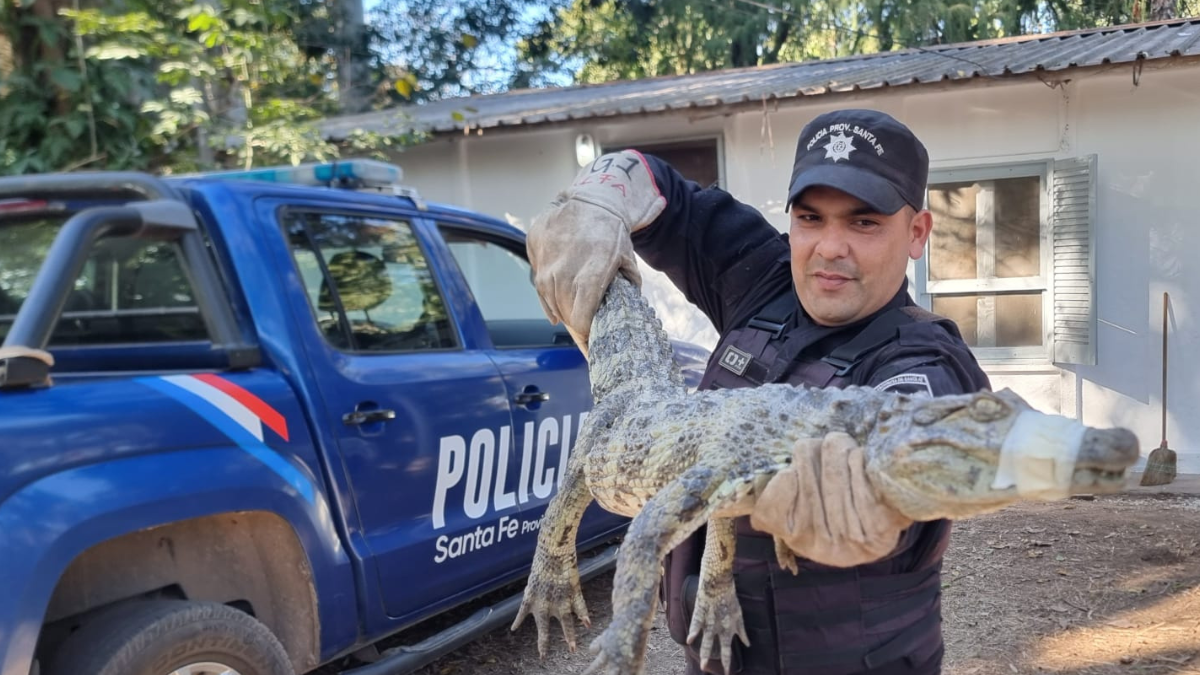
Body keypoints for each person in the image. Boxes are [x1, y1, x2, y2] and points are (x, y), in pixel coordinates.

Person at [526, 108, 992, 675]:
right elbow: (669, 197)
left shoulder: (923, 358)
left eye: (864, 222)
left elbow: (906, 454)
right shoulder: (767, 277)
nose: (828, 248)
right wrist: (600, 196)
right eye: (810, 218)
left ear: (916, 232)